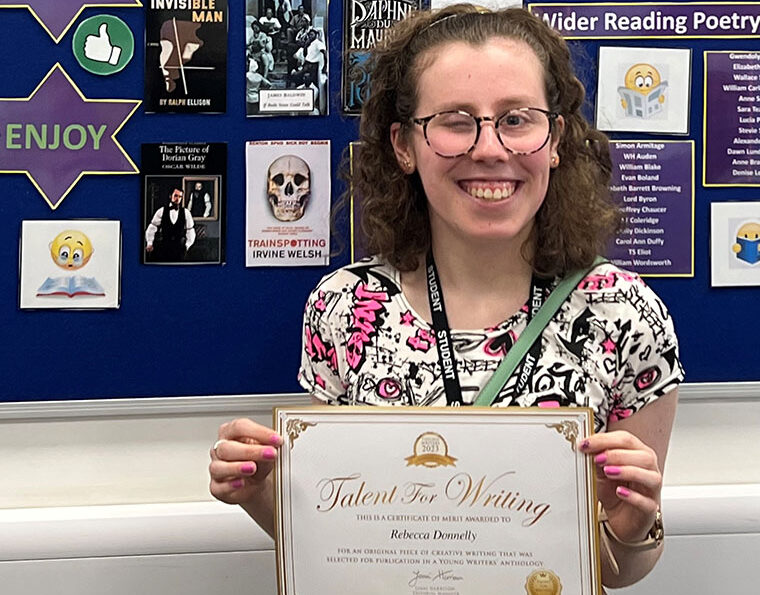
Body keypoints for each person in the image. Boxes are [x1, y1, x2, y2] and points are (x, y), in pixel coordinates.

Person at [209, 5, 682, 589]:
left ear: (554, 140)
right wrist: (260, 493)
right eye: (456, 120)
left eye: (517, 119)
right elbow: (346, 544)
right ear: (405, 145)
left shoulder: (625, 313)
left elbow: (619, 572)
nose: (489, 148)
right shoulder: (344, 309)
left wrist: (633, 527)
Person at [145, 187, 195, 262]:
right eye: (175, 196)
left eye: (180, 196)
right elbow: (152, 227)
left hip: (179, 249)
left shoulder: (186, 212)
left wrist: (187, 246)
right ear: (170, 196)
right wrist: (149, 243)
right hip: (164, 248)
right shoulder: (161, 211)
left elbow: (190, 231)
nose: (178, 198)